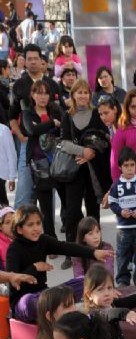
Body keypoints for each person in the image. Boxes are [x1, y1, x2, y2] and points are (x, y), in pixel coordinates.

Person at [60, 79, 111, 260]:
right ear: (73, 95)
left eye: (85, 92)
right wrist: (84, 151)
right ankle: (71, 253)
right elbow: (64, 143)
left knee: (93, 211)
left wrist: (93, 153)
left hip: (93, 172)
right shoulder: (67, 115)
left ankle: (97, 251)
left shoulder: (96, 114)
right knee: (72, 212)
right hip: (74, 171)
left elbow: (105, 139)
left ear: (89, 95)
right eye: (78, 92)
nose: (82, 96)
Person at [9, 44, 60, 207]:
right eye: (29, 59)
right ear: (24, 61)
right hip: (29, 143)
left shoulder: (52, 84)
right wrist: (20, 136)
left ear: (41, 60)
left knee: (47, 189)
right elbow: (11, 116)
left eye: (35, 59)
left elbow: (60, 114)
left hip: (50, 145)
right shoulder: (19, 85)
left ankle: (47, 228)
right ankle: (18, 229)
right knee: (24, 188)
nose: (32, 62)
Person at [21, 80, 63, 238]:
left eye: (46, 93)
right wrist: (52, 123)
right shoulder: (27, 113)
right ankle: (51, 240)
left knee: (67, 202)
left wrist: (48, 125)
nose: (43, 96)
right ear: (33, 95)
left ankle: (71, 233)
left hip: (59, 162)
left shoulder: (56, 110)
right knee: (45, 206)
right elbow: (32, 130)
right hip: (39, 165)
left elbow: (62, 130)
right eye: (39, 92)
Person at [108, 147, 136, 287]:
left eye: (132, 165)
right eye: (126, 166)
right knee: (122, 254)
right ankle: (122, 280)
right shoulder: (116, 185)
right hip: (123, 228)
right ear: (120, 167)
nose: (129, 169)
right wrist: (120, 212)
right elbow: (112, 202)